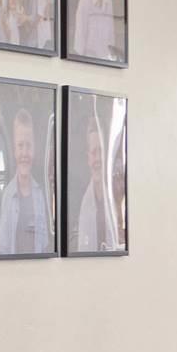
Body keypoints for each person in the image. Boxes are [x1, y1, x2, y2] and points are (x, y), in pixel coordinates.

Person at [0, 104, 54, 256]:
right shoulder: (7, 195)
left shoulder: (41, 195)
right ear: (14, 150)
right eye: (20, 146)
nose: (24, 153)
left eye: (28, 145)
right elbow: (3, 249)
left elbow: (45, 245)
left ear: (34, 149)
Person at [71, 105, 122, 253]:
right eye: (94, 152)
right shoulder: (83, 205)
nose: (97, 158)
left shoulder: (117, 193)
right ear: (88, 158)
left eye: (100, 150)